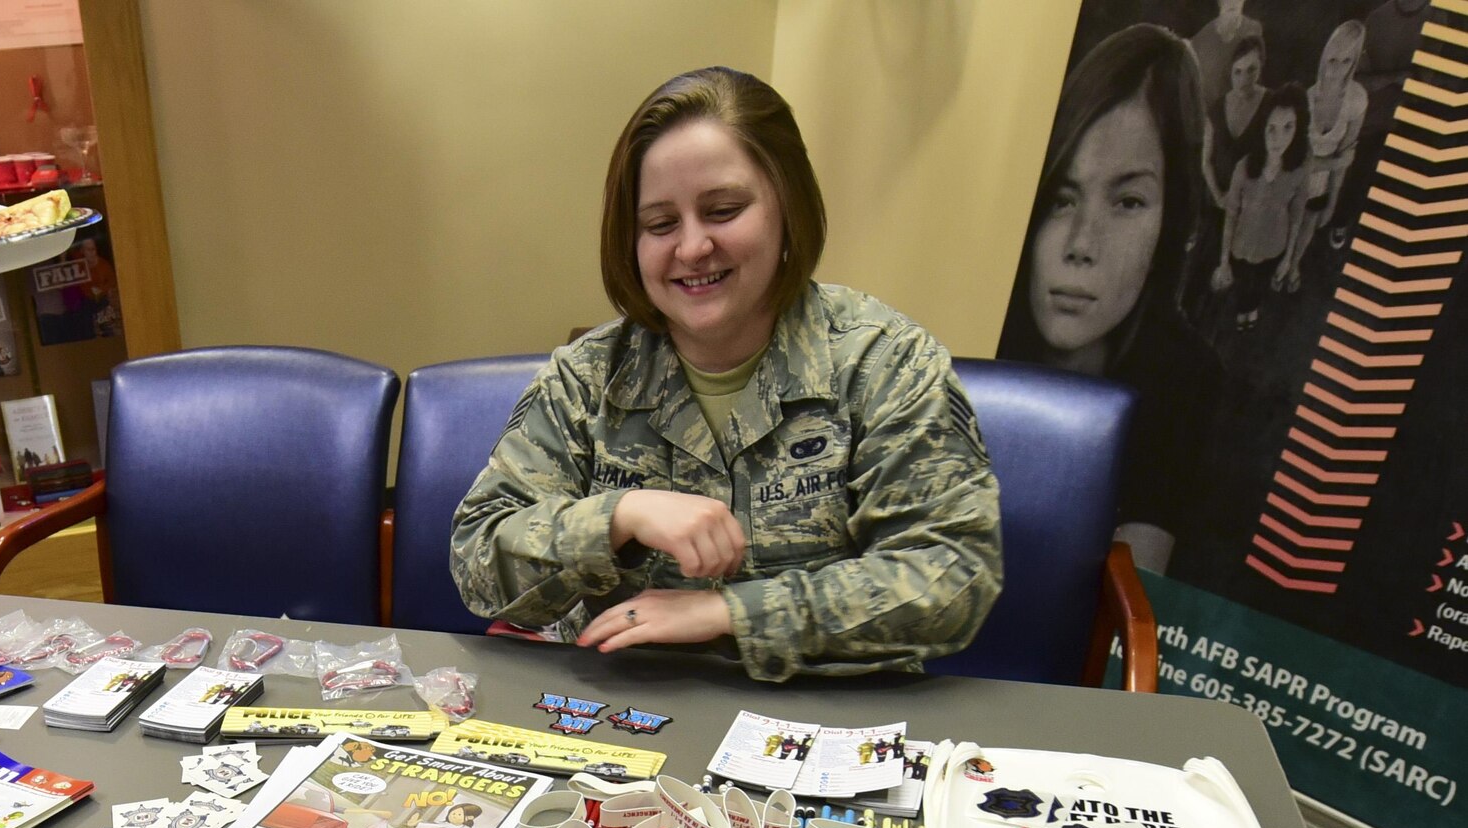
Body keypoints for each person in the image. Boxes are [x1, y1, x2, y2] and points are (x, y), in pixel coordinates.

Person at [451, 66, 1003, 684]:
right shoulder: (589, 378)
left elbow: (951, 574)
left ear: (787, 208)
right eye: (660, 224)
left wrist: (731, 612)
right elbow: (478, 562)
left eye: (723, 210)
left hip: (826, 722)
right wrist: (617, 516)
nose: (691, 248)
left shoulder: (882, 363)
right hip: (627, 719)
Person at [1000, 23, 1223, 576]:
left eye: (1127, 201)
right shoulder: (979, 326)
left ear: (1171, 222)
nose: (1081, 245)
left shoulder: (1182, 377)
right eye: (1062, 199)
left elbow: (1128, 607)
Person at [1211, 84, 1311, 329]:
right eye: (1272, 129)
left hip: (1274, 246)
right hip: (1240, 246)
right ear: (1262, 129)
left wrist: (1288, 259)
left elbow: (1297, 214)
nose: (1279, 139)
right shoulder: (1244, 167)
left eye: (1288, 128)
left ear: (1298, 130)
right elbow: (1231, 214)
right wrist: (1224, 260)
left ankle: (1252, 308)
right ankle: (1242, 310)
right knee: (1243, 283)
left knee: (1260, 284)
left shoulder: (1300, 169)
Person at [1289, 20, 1369, 280]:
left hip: (1321, 184)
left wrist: (1333, 202)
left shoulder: (1357, 99)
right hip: (1293, 177)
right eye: (1333, 60)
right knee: (1289, 225)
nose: (1338, 68)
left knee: (1309, 225)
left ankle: (1294, 265)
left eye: (1346, 61)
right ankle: (1281, 263)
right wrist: (1333, 164)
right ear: (1324, 57)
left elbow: (1347, 156)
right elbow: (1296, 157)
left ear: (1354, 62)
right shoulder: (1306, 96)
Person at [1203, 37, 1269, 209]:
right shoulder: (1216, 110)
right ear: (1230, 72)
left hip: (1257, 203)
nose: (1244, 79)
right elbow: (1206, 162)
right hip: (1219, 202)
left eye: (1251, 70)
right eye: (1237, 72)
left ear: (1261, 67)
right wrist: (1219, 198)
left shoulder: (1273, 104)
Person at [1188, 0, 1266, 116]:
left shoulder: (1253, 29)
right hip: (1209, 115)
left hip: (1242, 112)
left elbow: (1255, 78)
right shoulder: (1200, 39)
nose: (1233, 2)